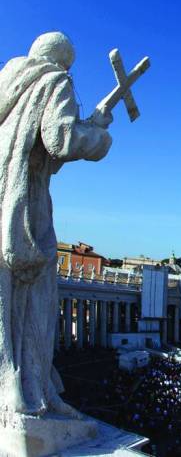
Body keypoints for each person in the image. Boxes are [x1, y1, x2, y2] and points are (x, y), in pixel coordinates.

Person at [0, 32, 112, 416]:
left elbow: (42, 150)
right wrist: (98, 134)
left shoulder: (8, 85)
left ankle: (12, 387)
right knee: (36, 302)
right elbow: (60, 139)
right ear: (64, 61)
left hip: (4, 196)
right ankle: (32, 391)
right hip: (25, 203)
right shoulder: (54, 80)